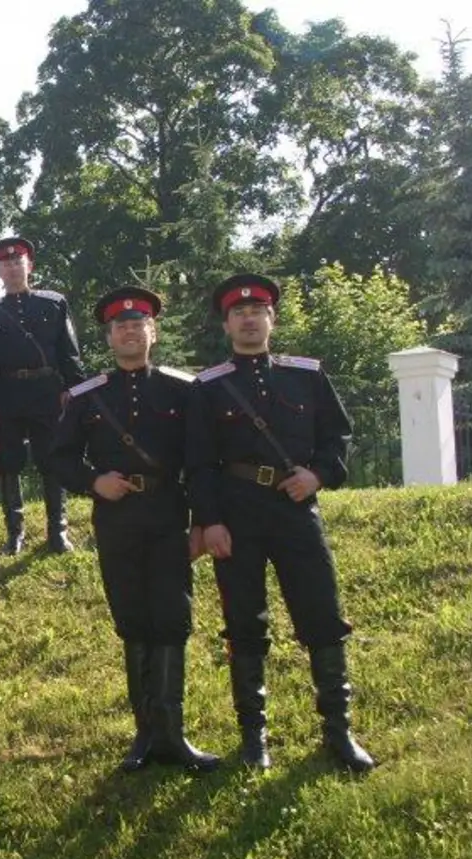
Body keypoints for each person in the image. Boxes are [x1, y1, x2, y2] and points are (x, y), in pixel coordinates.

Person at [185, 273, 376, 773]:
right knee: (244, 623)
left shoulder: (305, 375)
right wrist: (210, 522)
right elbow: (199, 463)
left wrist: (318, 475)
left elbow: (339, 437)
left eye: (258, 311)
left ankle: (339, 732)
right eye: (238, 313)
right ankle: (254, 738)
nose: (249, 319)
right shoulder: (209, 387)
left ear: (271, 318)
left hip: (295, 511)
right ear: (227, 324)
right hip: (237, 513)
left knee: (322, 617)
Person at [49, 286, 219, 773]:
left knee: (172, 618)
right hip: (117, 520)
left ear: (153, 332)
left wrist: (204, 523)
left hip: (168, 515)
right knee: (132, 619)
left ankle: (173, 735)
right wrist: (93, 481)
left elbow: (203, 462)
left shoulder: (183, 391)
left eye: (138, 323)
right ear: (109, 337)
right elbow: (59, 457)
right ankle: (144, 736)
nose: (129, 330)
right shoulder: (88, 397)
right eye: (120, 325)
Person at [0, 237, 87, 554]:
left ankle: (58, 531)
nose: (11, 267)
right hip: (6, 395)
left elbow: (69, 351)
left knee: (52, 459)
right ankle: (15, 533)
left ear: (29, 266)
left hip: (47, 393)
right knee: (9, 463)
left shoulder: (53, 303)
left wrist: (73, 388)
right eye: (5, 264)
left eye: (17, 261)